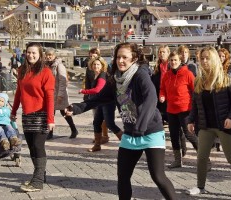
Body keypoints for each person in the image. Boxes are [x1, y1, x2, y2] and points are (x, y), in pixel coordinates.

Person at [66, 42, 177, 200]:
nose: (120, 61)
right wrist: (76, 108)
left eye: (125, 57)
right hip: (131, 134)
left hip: (151, 132)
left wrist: (141, 126)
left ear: (134, 58)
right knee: (123, 177)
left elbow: (151, 98)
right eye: (118, 57)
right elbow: (98, 98)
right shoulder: (115, 79)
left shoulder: (140, 75)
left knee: (158, 177)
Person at [187, 47, 231, 200]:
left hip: (224, 125)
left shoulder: (225, 78)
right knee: (201, 156)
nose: (204, 61)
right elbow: (195, 104)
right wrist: (191, 120)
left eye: (207, 58)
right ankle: (200, 186)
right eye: (202, 58)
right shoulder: (199, 80)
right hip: (205, 125)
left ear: (215, 59)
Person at [11, 42, 55, 192]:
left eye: (34, 53)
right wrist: (13, 111)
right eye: (28, 52)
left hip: (41, 114)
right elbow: (19, 92)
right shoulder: (22, 70)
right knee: (31, 147)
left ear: (40, 55)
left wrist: (51, 119)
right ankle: (41, 174)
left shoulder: (46, 72)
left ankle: (37, 182)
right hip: (27, 114)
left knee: (37, 145)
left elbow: (50, 97)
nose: (31, 55)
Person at [159, 51, 198, 168]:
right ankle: (177, 160)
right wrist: (162, 96)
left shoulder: (188, 74)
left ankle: (205, 160)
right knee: (174, 135)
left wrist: (195, 107)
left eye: (175, 60)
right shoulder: (167, 75)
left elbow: (195, 90)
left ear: (180, 61)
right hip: (171, 109)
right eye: (171, 60)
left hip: (185, 109)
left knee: (189, 134)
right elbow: (162, 89)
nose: (173, 62)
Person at [79, 56, 122, 152]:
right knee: (96, 122)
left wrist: (83, 91)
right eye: (94, 64)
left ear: (102, 65)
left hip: (108, 102)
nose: (96, 66)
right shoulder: (96, 74)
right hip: (100, 102)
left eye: (98, 64)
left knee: (110, 123)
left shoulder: (103, 75)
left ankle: (126, 144)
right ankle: (97, 145)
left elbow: (97, 89)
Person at [45, 48, 78, 139]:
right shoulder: (46, 65)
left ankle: (74, 129)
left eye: (50, 55)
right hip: (50, 93)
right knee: (50, 113)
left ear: (54, 56)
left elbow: (62, 81)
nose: (48, 57)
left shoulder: (59, 66)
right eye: (47, 55)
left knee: (64, 112)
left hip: (59, 93)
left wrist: (60, 94)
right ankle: (50, 132)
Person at [83, 47, 109, 144]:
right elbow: (87, 82)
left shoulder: (104, 69)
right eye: (90, 56)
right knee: (96, 117)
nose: (92, 58)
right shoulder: (89, 69)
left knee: (105, 119)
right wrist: (86, 95)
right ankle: (98, 136)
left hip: (104, 97)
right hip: (93, 96)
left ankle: (105, 136)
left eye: (94, 56)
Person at [151, 45, 170, 124]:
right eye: (160, 52)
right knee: (159, 118)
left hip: (169, 95)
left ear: (168, 53)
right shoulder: (158, 66)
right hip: (159, 94)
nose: (161, 54)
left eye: (164, 52)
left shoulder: (171, 65)